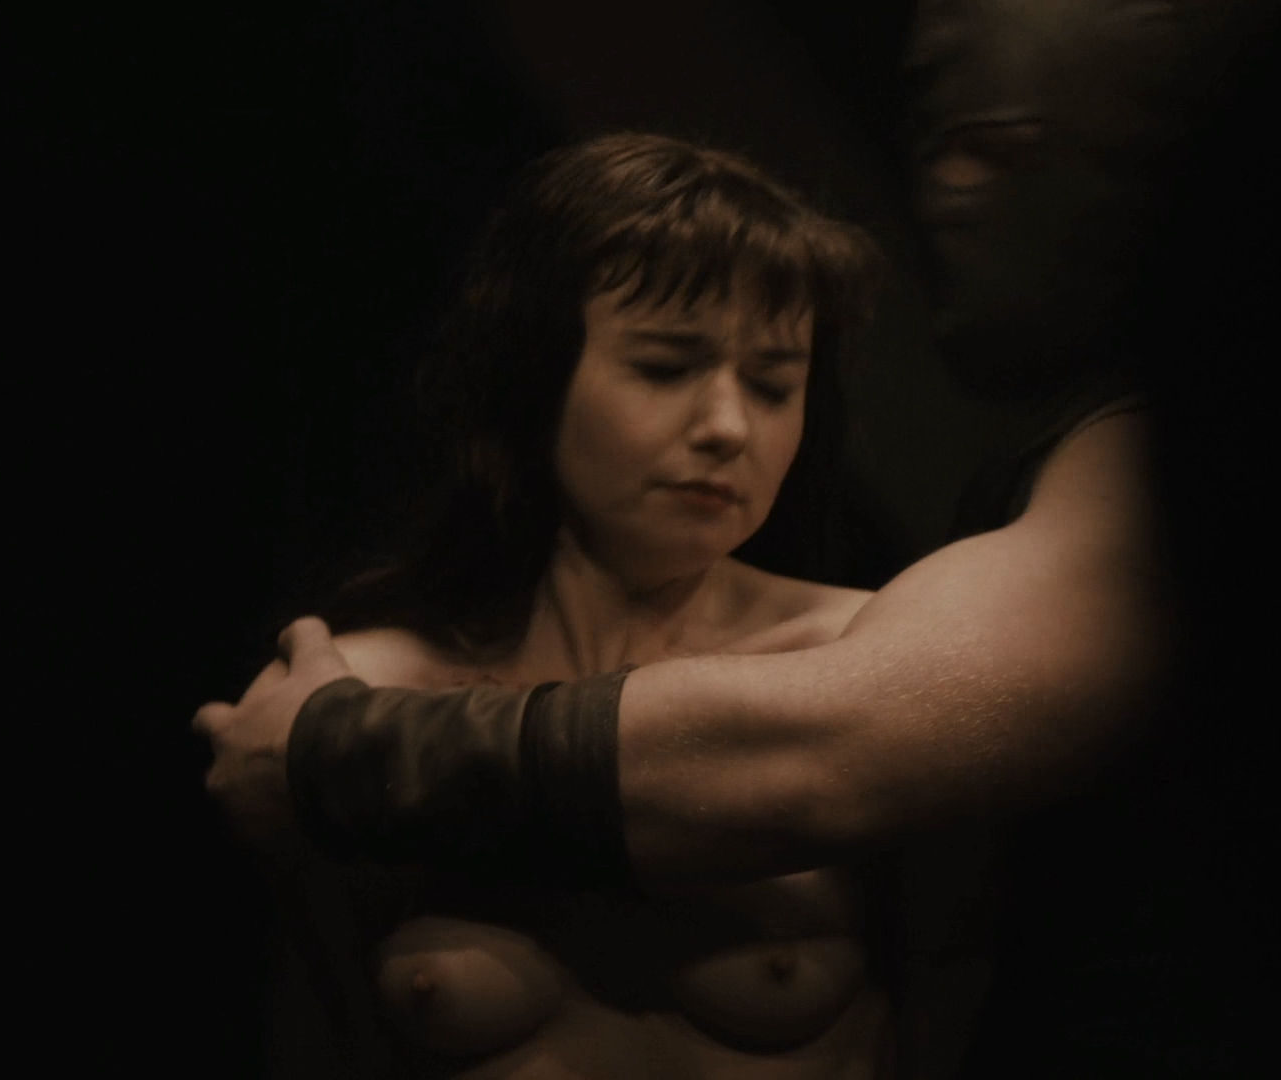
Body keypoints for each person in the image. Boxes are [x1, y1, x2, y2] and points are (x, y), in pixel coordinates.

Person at [244, 132, 910, 1077]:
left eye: (772, 385)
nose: (728, 427)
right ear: (533, 374)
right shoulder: (364, 688)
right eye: (665, 367)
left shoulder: (864, 657)